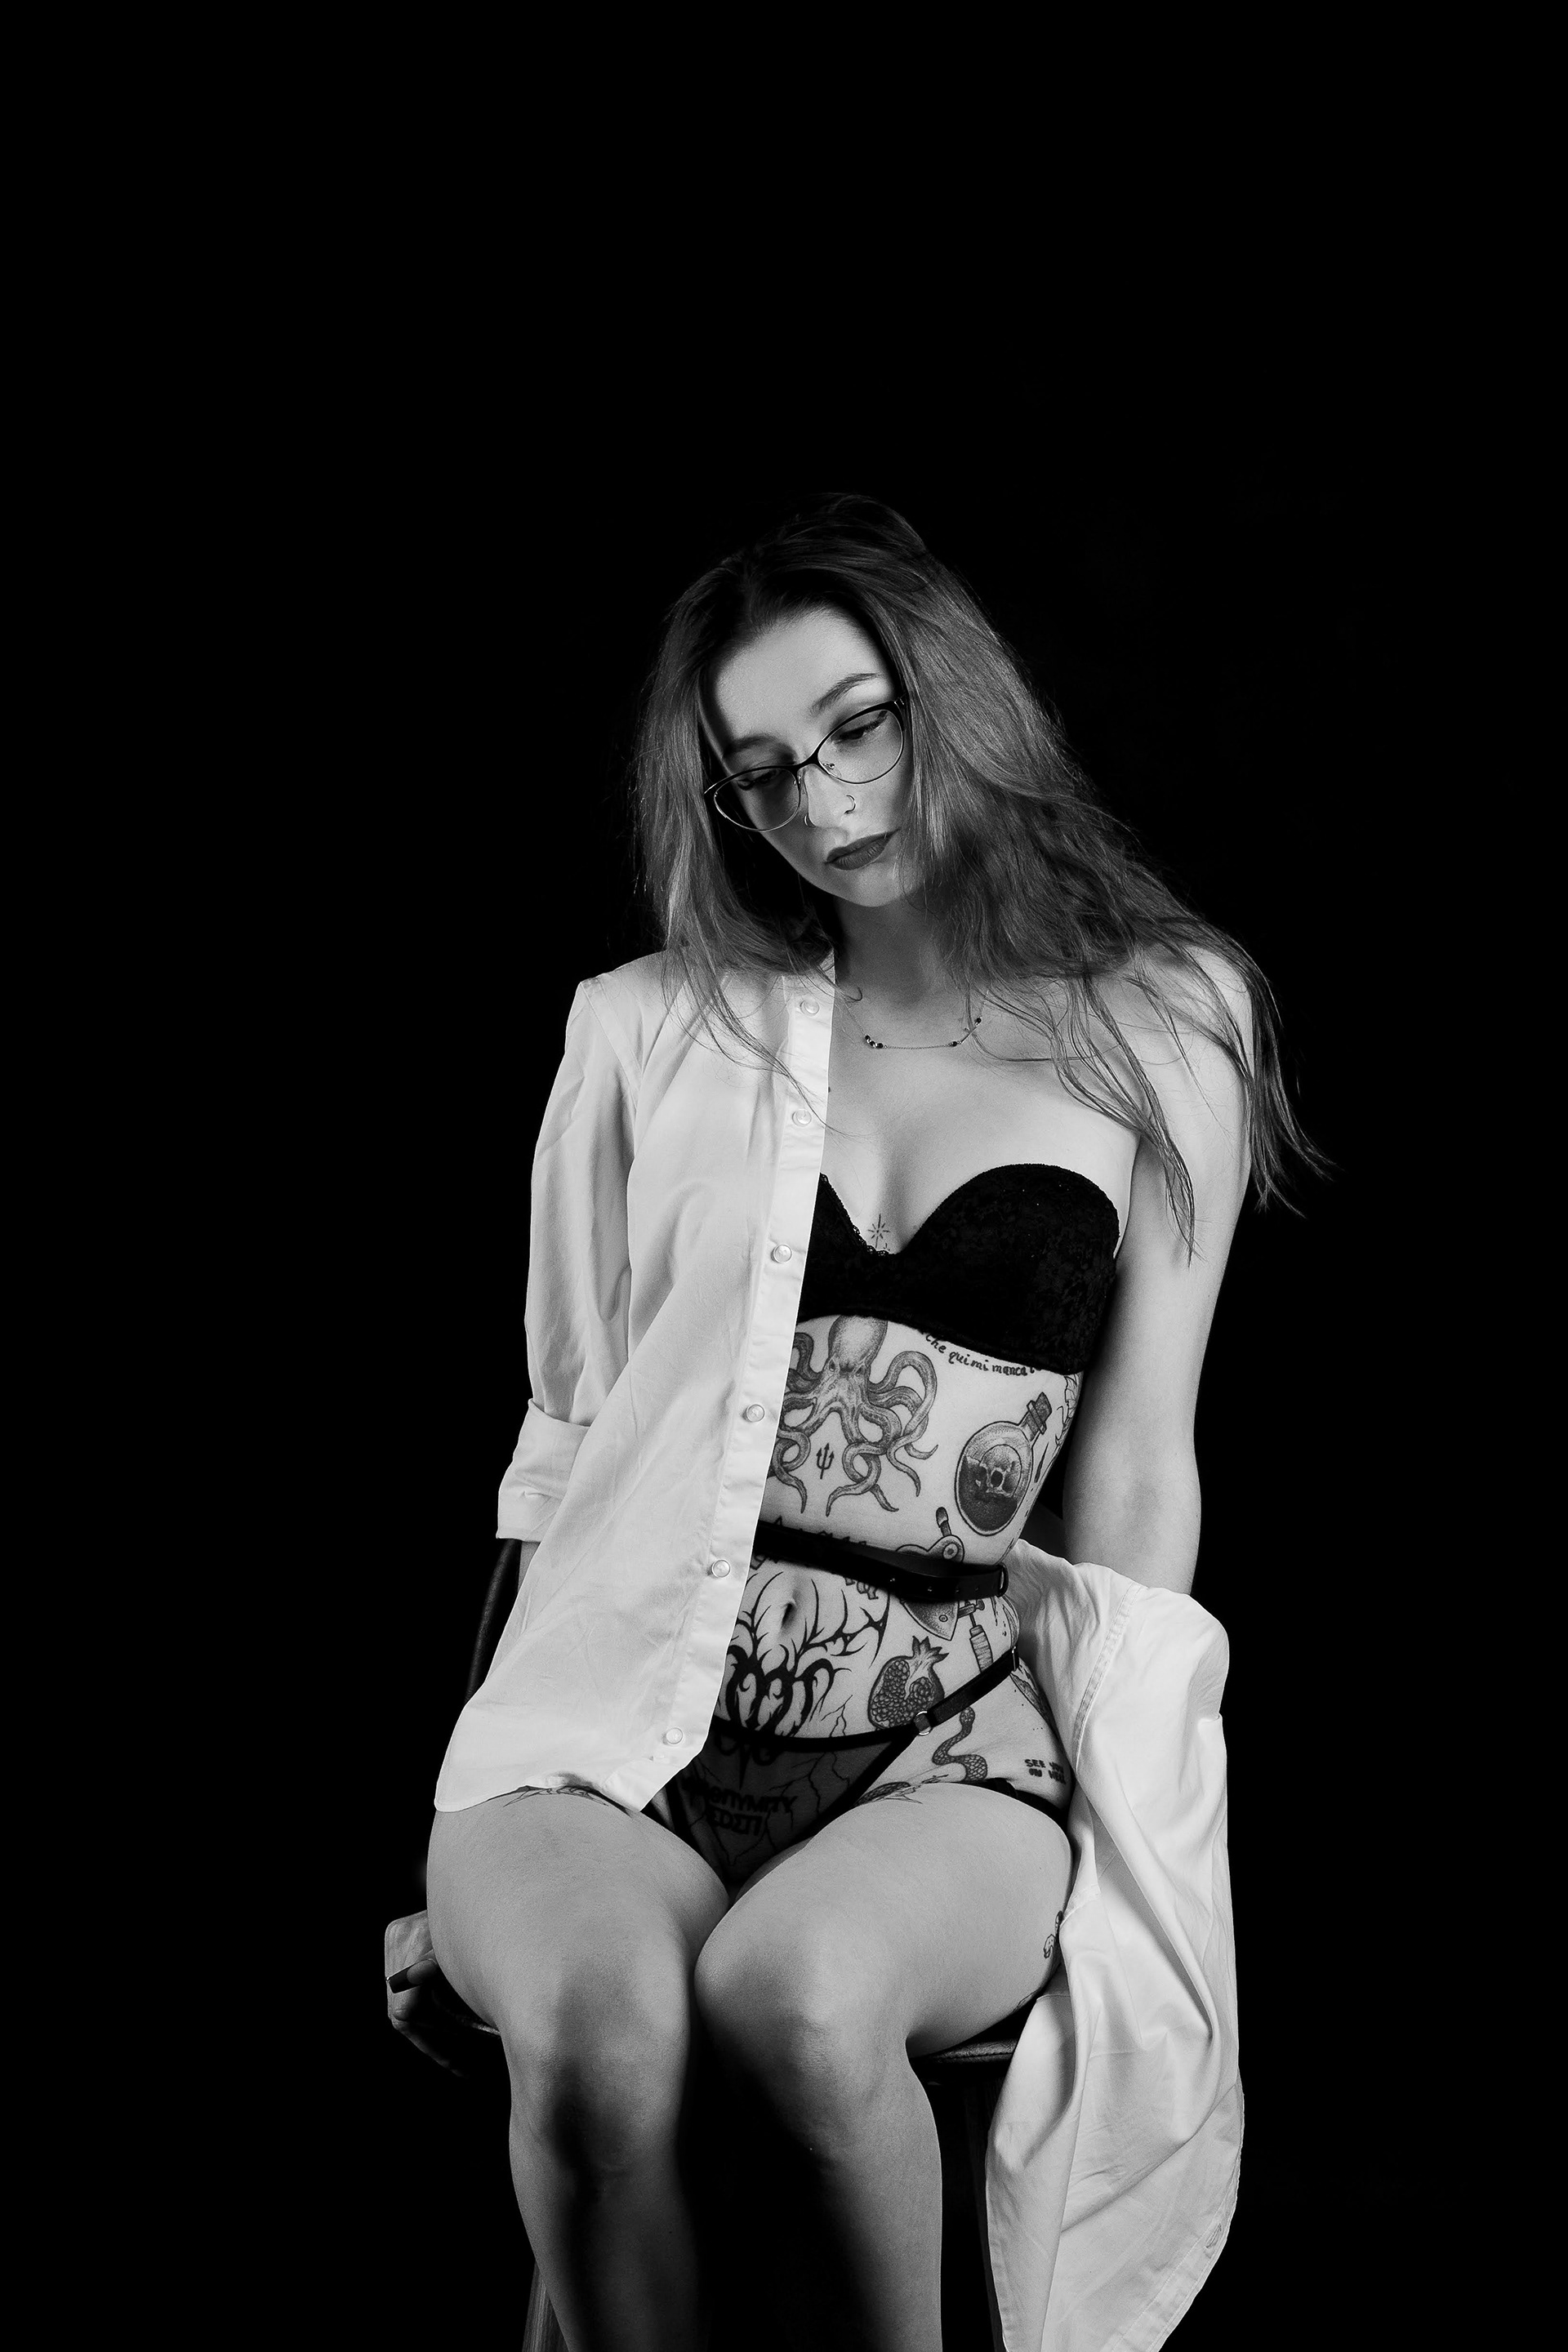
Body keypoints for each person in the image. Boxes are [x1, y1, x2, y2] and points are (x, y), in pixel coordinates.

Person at [386, 497, 1310, 2351]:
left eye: (858, 726)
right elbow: (561, 1445)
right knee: (596, 2040)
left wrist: (1149, 1844)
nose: (824, 802)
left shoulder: (1167, 1023)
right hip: (620, 1734)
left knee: (800, 2007)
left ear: (949, 692)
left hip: (943, 1739)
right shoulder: (649, 1031)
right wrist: (475, 1815)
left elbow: (1141, 1466)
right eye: (761, 774)